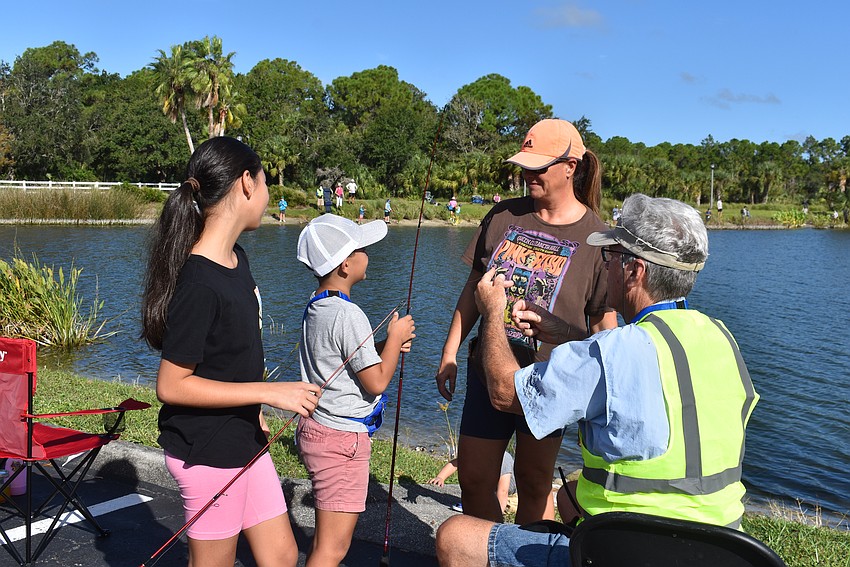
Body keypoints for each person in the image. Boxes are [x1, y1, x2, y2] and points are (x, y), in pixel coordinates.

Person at [436, 193, 760, 567]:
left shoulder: (613, 351)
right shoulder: (721, 337)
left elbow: (506, 393)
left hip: (629, 551)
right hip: (719, 550)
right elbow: (626, 366)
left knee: (454, 537)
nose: (606, 267)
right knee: (566, 497)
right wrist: (567, 333)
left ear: (635, 270)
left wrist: (494, 313)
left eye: (611, 256)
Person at [140, 137, 323, 567]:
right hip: (208, 451)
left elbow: (231, 356)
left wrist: (255, 410)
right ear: (246, 183)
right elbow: (171, 386)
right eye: (265, 183)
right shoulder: (199, 282)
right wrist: (268, 392)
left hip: (243, 437)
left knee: (281, 556)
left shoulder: (237, 260)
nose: (268, 195)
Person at [435, 118, 618, 525]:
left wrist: (608, 389)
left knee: (534, 482)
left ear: (570, 167)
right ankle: (489, 548)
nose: (528, 175)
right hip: (487, 371)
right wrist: (449, 353)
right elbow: (473, 289)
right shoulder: (502, 217)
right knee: (474, 478)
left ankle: (528, 550)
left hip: (551, 381)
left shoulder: (599, 239)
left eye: (539, 168)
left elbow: (603, 321)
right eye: (524, 167)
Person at [295, 214, 416, 567]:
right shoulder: (349, 315)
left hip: (317, 429)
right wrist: (394, 340)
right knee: (333, 549)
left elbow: (342, 358)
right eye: (362, 249)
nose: (367, 254)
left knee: (324, 542)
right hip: (341, 441)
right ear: (346, 264)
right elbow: (376, 381)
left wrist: (383, 347)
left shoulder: (318, 304)